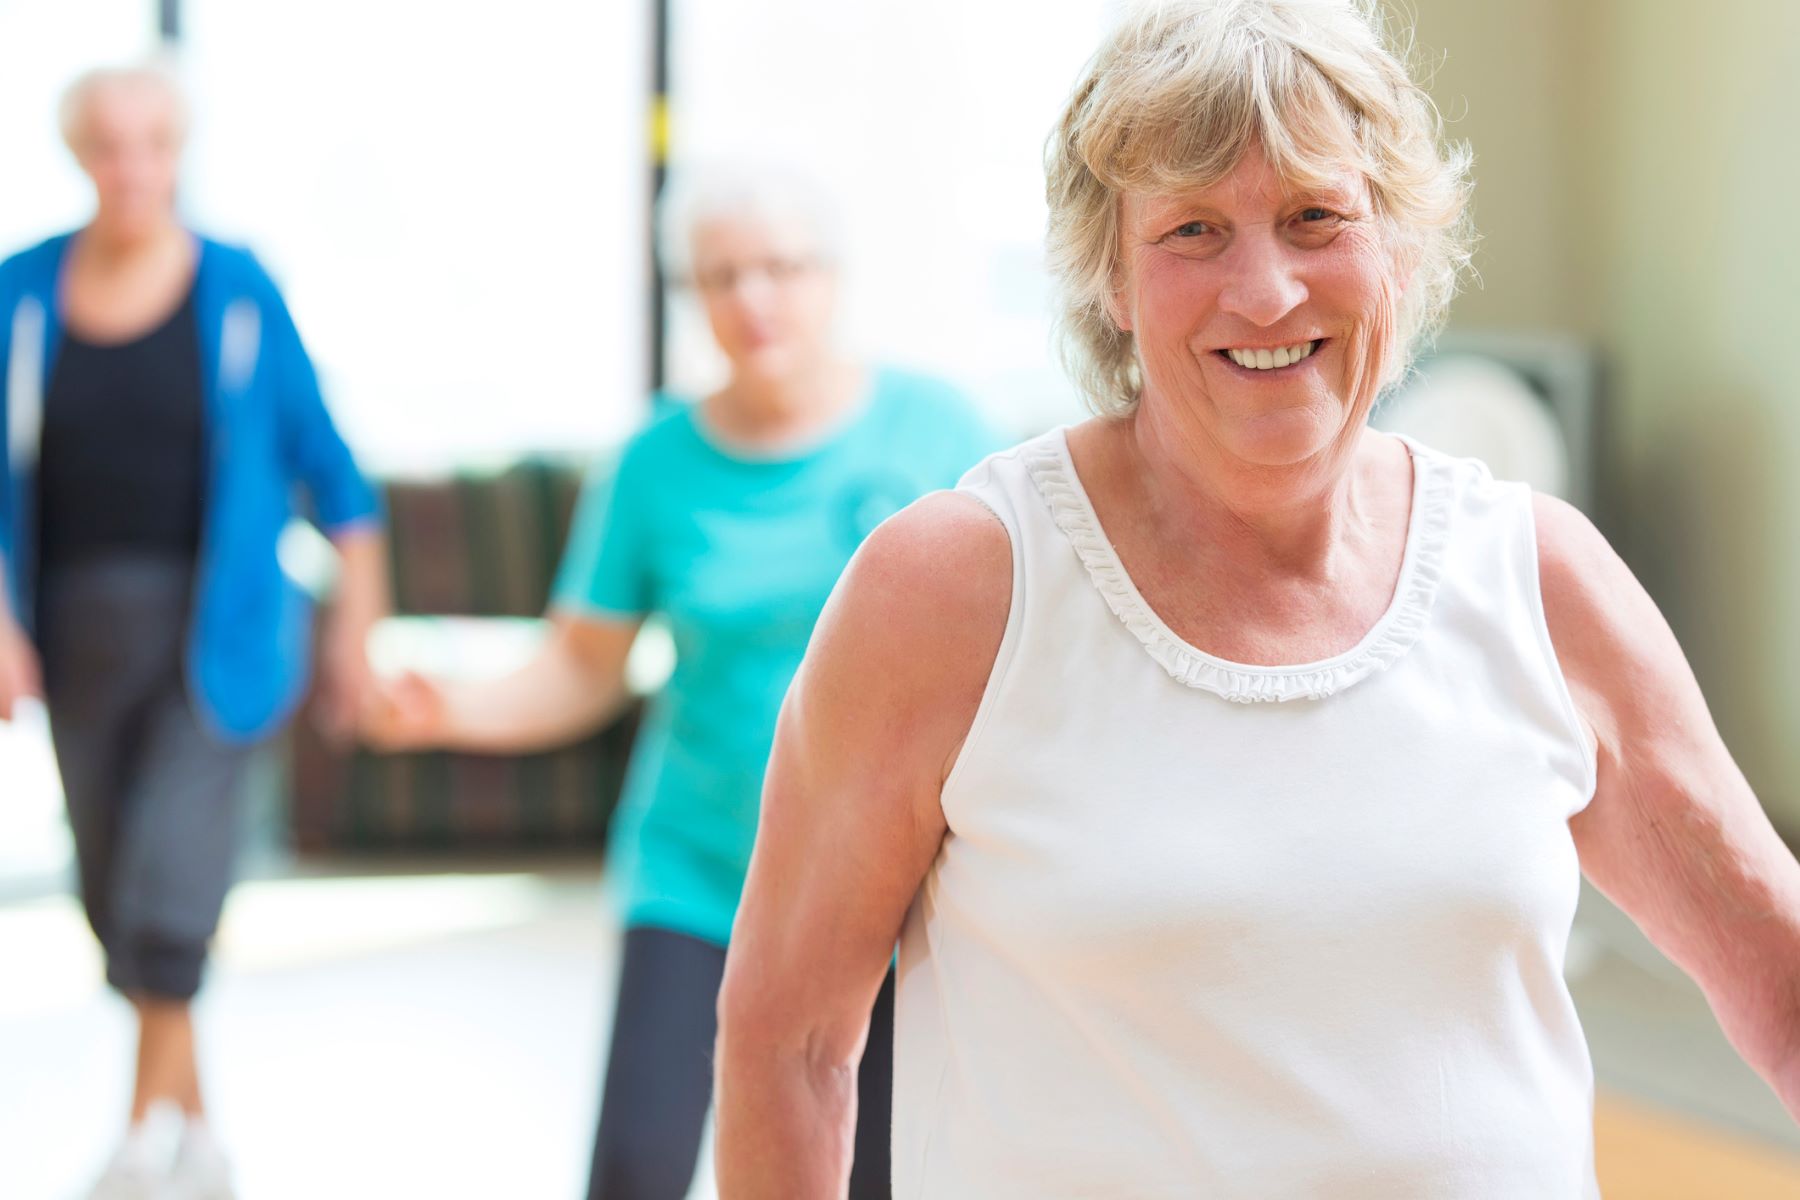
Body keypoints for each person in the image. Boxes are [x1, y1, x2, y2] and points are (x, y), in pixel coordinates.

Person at [712, 2, 1800, 1196]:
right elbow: (792, 1045)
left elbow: (1778, 971)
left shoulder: (1540, 576)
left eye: (1315, 216)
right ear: (1110, 280)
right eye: (1193, 230)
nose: (1268, 290)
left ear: (1395, 242)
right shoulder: (953, 591)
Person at [362, 165, 999, 1200]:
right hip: (700, 871)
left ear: (832, 278)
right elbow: (581, 665)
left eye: (781, 268)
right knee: (634, 1169)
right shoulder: (653, 465)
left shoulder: (939, 432)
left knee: (871, 1174)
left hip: (896, 878)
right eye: (721, 277)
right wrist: (452, 707)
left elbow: (1016, 646)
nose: (754, 299)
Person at [0, 62, 387, 1199]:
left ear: (178, 152)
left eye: (152, 144)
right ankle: (197, 1122)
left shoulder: (237, 291)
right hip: (76, 631)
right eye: (108, 147)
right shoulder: (20, 293)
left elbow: (337, 479)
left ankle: (134, 1136)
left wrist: (354, 633)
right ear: (80, 157)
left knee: (173, 879)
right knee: (115, 885)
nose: (131, 169)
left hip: (223, 630)